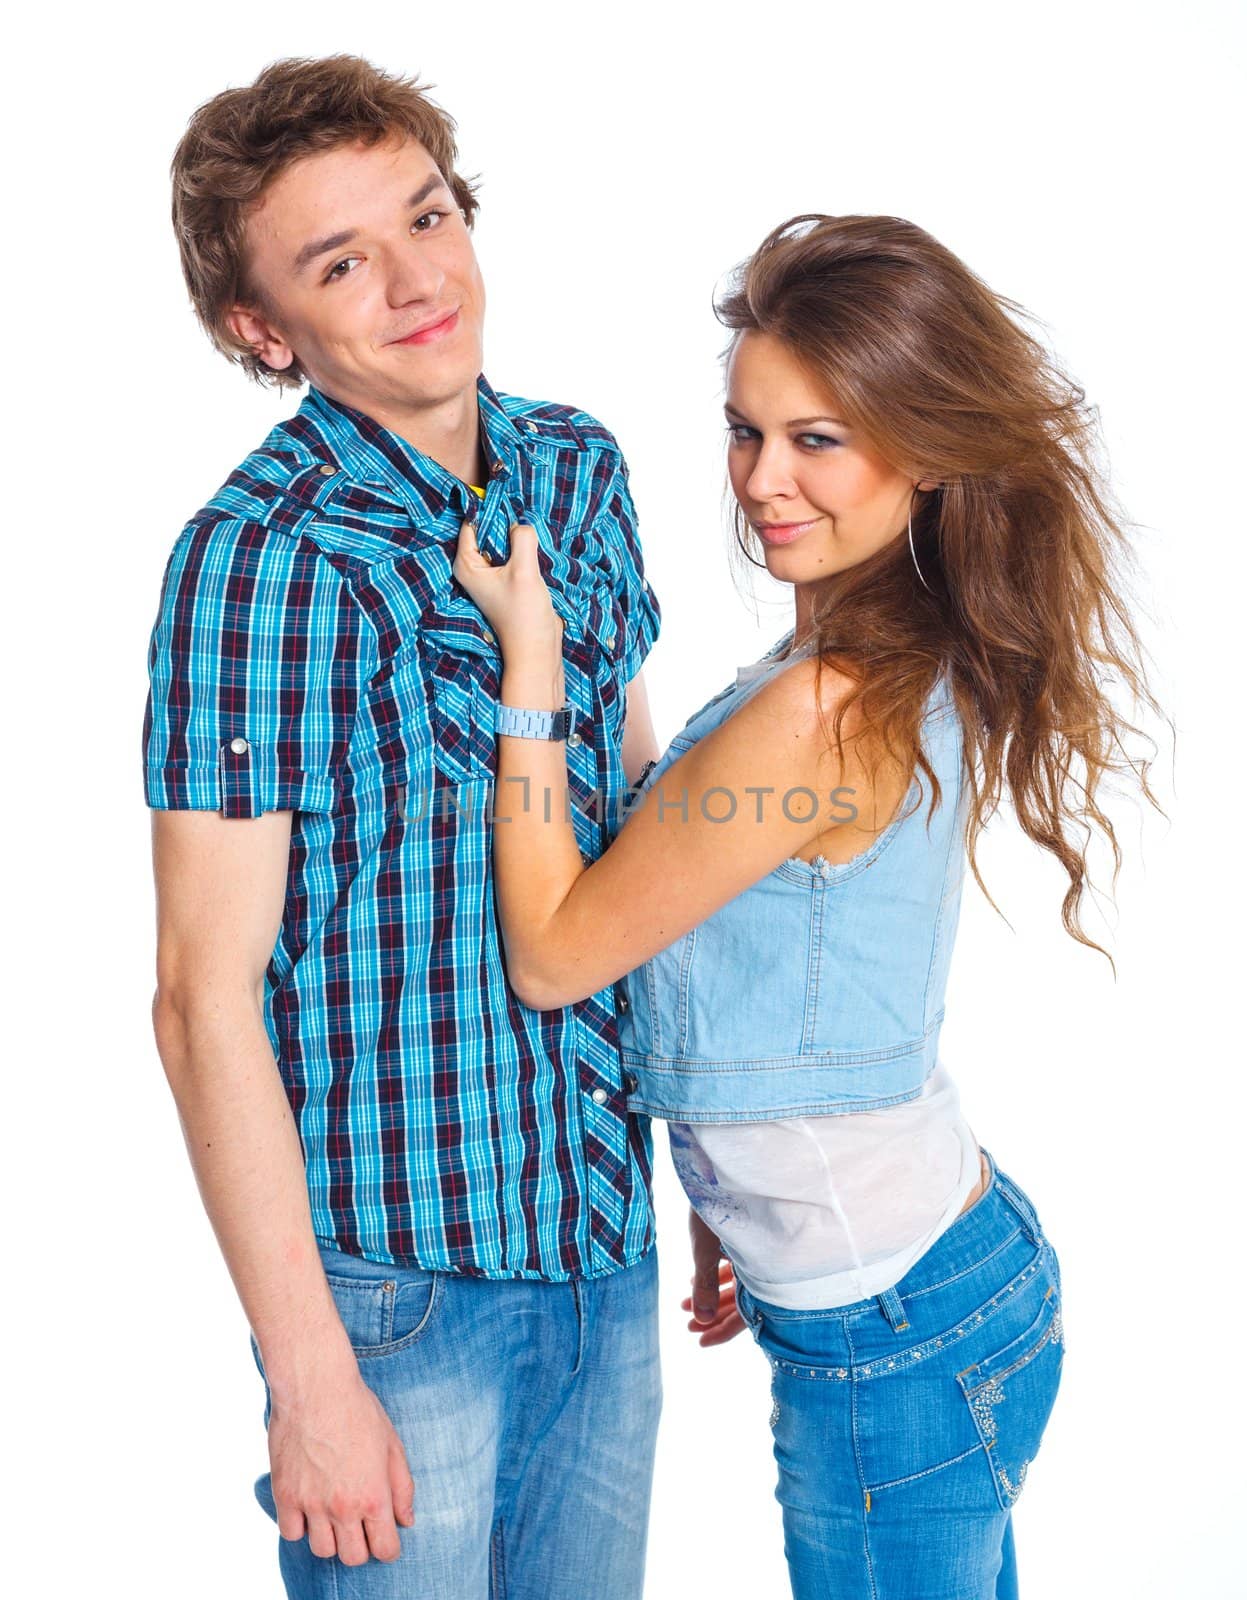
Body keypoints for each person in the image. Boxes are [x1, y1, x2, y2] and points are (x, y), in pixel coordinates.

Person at [451, 212, 1165, 1598]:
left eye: (817, 439)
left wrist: (528, 664)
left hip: (893, 1331)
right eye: (744, 431)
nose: (763, 481)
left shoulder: (825, 703)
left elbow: (550, 955)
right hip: (931, 1286)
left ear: (928, 449)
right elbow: (760, 939)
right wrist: (723, 1188)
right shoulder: (882, 639)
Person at [144, 55, 665, 1600]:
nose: (416, 281)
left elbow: (636, 842)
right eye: (339, 262)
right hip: (398, 1302)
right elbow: (198, 996)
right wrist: (310, 1382)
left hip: (605, 1247)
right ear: (264, 328)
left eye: (427, 217)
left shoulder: (576, 468)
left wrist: (706, 1157)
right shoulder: (257, 564)